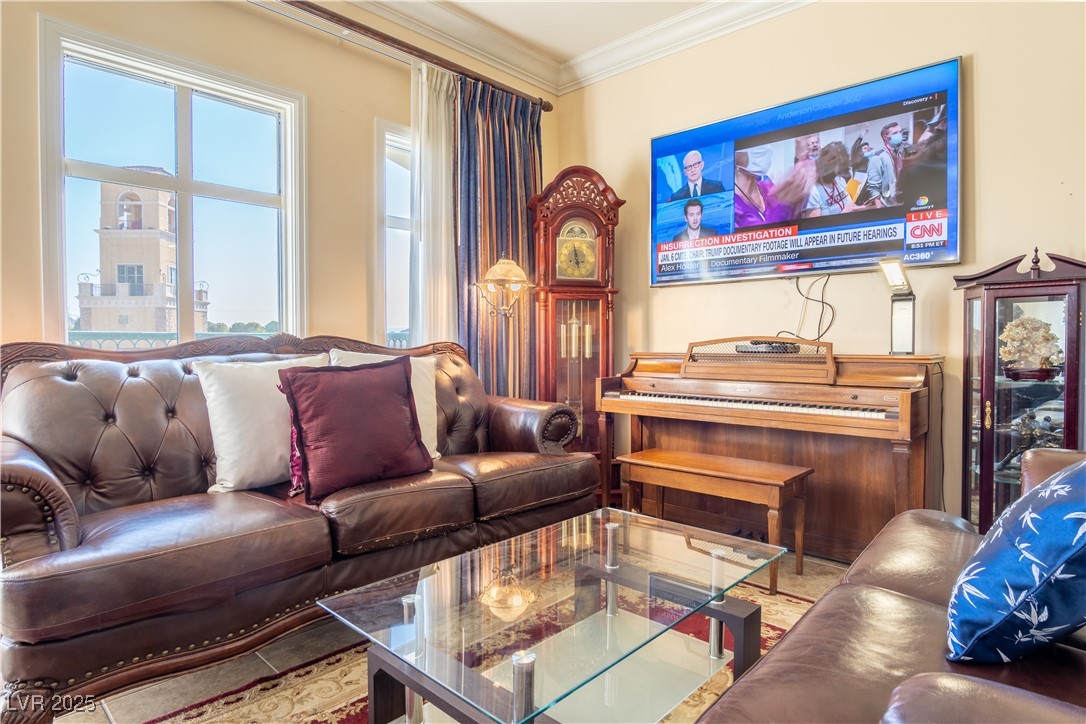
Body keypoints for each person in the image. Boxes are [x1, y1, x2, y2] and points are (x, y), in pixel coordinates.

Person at [733, 146, 793, 228]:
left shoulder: (769, 187)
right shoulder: (733, 205)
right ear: (736, 159)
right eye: (756, 153)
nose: (763, 157)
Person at [802, 142, 858, 217]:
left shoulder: (840, 181)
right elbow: (814, 224)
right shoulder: (812, 191)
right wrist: (844, 213)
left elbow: (848, 203)